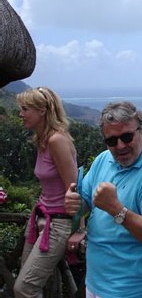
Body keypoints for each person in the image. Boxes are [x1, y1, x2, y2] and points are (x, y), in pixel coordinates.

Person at [65, 101, 142, 298]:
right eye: (112, 141)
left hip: (133, 289)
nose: (120, 146)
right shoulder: (103, 159)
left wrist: (116, 209)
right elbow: (86, 202)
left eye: (126, 137)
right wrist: (75, 203)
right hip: (96, 282)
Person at [14, 86, 78, 298]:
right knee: (27, 281)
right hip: (40, 217)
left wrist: (80, 228)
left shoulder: (56, 140)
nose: (20, 114)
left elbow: (73, 188)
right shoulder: (42, 140)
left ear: (42, 110)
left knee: (24, 288)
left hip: (57, 223)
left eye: (25, 109)